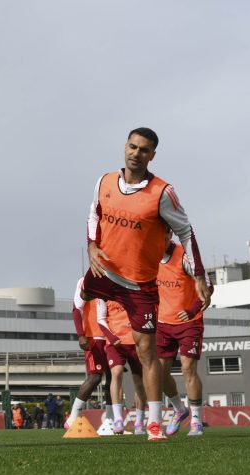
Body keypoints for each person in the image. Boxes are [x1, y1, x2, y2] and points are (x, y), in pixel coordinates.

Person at [82, 127, 211, 441]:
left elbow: (187, 232)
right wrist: (91, 245)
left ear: (152, 155)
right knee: (82, 295)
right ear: (125, 147)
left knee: (146, 352)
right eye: (132, 146)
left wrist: (199, 275)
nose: (136, 154)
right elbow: (94, 214)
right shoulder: (104, 181)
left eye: (144, 150)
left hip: (138, 284)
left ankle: (154, 423)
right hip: (103, 271)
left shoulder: (163, 193)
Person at [156, 229, 213, 436]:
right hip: (162, 323)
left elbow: (208, 285)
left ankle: (196, 420)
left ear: (168, 235)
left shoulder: (184, 257)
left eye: (159, 237)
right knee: (159, 374)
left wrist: (191, 310)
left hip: (189, 322)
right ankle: (179, 409)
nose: (155, 242)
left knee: (188, 368)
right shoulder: (149, 256)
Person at [65, 277, 115, 430]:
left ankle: (110, 420)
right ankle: (73, 417)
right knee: (95, 377)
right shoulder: (85, 280)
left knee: (113, 379)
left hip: (113, 336)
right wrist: (81, 335)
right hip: (94, 336)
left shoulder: (117, 279)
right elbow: (76, 309)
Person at [103, 299, 148, 435]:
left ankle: (139, 421)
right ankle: (118, 419)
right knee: (116, 374)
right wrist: (111, 337)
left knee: (139, 382)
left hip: (136, 341)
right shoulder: (105, 293)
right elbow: (100, 320)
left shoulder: (134, 289)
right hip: (115, 343)